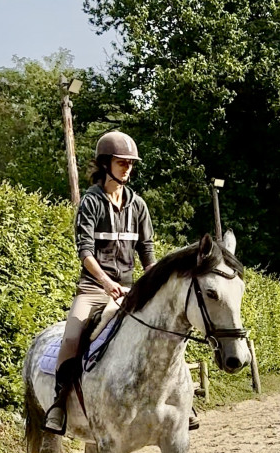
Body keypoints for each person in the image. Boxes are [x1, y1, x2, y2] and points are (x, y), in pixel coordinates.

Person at [43, 130, 199, 434]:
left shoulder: (138, 206)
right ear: (106, 164)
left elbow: (148, 253)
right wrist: (105, 282)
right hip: (93, 288)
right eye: (122, 162)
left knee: (167, 329)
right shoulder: (91, 203)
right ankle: (59, 403)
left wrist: (156, 285)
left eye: (130, 163)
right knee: (72, 337)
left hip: (129, 289)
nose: (127, 168)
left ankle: (183, 399)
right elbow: (85, 252)